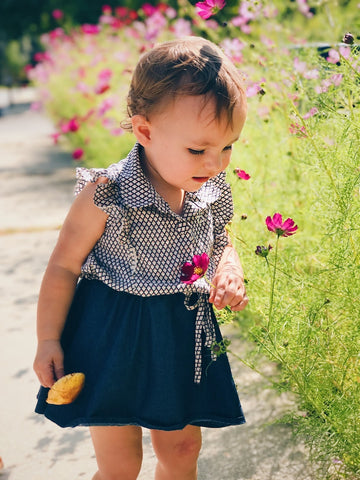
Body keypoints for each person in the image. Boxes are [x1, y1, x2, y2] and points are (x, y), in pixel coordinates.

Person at [33, 36, 248, 480]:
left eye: (228, 147)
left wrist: (229, 266)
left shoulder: (211, 189)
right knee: (120, 465)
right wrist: (49, 339)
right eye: (199, 149)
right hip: (110, 335)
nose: (216, 163)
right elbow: (63, 266)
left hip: (178, 330)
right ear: (145, 131)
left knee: (183, 449)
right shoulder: (106, 194)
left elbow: (221, 238)